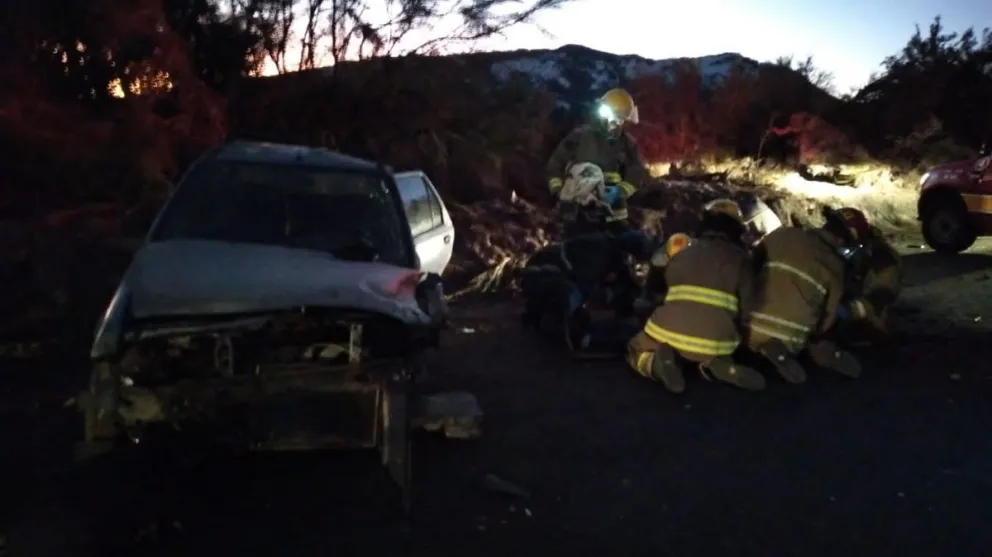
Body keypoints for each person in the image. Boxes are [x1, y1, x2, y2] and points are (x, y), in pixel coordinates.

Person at [626, 199, 765, 393]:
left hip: (667, 333)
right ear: (737, 230)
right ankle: (716, 365)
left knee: (635, 348)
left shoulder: (683, 253)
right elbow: (749, 307)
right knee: (719, 341)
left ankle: (656, 364)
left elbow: (660, 287)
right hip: (717, 341)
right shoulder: (742, 261)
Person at [745, 206, 874, 383]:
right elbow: (827, 320)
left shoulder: (783, 235)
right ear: (843, 240)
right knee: (819, 332)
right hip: (791, 337)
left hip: (748, 328)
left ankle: (761, 346)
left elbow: (751, 266)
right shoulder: (836, 267)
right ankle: (808, 353)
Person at [546, 88, 652, 255]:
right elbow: (556, 163)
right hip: (579, 211)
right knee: (581, 257)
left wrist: (620, 191)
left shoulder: (627, 143)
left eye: (621, 119)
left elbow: (638, 171)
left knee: (615, 260)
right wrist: (559, 192)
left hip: (614, 212)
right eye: (614, 117)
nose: (616, 123)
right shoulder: (581, 136)